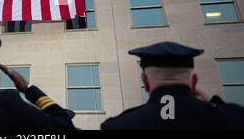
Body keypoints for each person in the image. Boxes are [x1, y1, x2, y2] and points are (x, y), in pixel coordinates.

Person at [101, 41, 244, 130]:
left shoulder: (118, 125)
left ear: (145, 82)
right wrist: (214, 107)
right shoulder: (234, 118)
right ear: (194, 82)